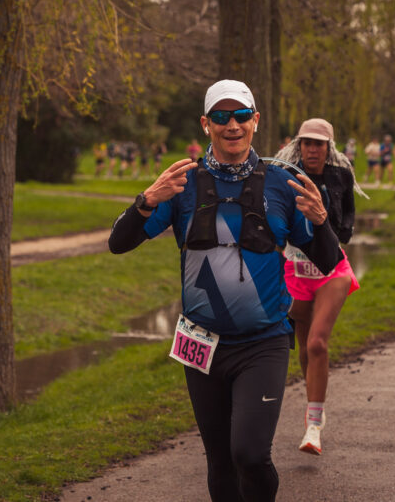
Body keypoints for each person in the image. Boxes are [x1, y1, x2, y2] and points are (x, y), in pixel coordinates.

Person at [108, 79, 339, 501]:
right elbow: (118, 243)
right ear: (205, 124)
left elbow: (327, 261)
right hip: (202, 345)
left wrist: (322, 222)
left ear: (256, 120)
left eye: (240, 115)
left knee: (249, 454)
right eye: (220, 116)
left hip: (263, 342)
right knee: (219, 461)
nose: (232, 125)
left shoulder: (282, 183)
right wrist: (147, 200)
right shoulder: (183, 184)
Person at [273, 118, 368, 455]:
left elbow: (347, 222)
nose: (312, 149)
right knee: (304, 349)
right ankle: (314, 402)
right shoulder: (284, 176)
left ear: (329, 148)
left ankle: (313, 426)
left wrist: (327, 225)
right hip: (295, 270)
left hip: (331, 270)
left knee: (317, 343)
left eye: (319, 144)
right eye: (307, 143)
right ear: (299, 145)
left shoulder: (341, 176)